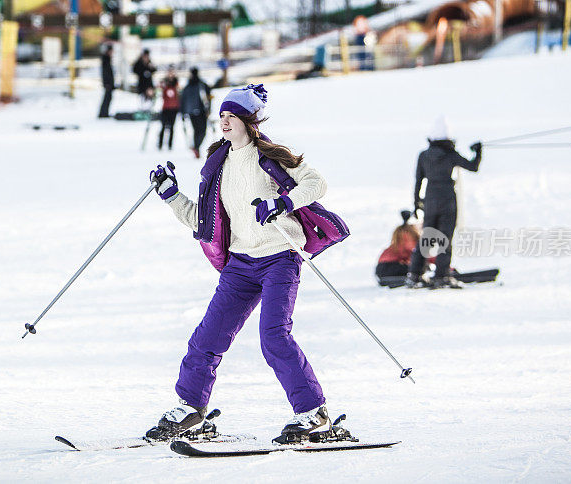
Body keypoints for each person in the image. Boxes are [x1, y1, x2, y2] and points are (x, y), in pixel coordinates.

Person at [145, 84, 349, 443]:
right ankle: (191, 409)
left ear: (248, 120)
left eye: (230, 116)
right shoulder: (218, 166)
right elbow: (204, 222)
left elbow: (316, 183)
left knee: (274, 336)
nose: (223, 122)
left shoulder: (270, 156)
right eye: (220, 116)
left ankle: (314, 414)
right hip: (241, 264)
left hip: (279, 259)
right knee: (206, 337)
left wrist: (284, 203)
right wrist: (172, 196)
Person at [406, 116, 482, 289]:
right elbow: (473, 167)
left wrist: (416, 203)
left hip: (430, 200)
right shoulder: (450, 155)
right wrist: (478, 152)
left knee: (427, 237)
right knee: (444, 239)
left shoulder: (424, 156)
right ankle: (442, 275)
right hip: (447, 200)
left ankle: (415, 274)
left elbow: (418, 180)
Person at [375, 210, 423, 283]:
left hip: (381, 270)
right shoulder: (407, 233)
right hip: (390, 267)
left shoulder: (400, 232)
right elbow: (414, 251)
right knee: (418, 268)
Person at [179, 67, 211, 158]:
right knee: (201, 131)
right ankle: (196, 147)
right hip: (200, 112)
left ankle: (196, 147)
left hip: (193, 112)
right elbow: (207, 98)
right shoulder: (201, 85)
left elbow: (182, 100)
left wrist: (183, 112)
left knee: (197, 131)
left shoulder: (189, 86)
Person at [157, 65, 179, 150]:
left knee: (172, 127)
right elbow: (159, 91)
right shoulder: (164, 83)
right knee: (163, 126)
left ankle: (170, 145)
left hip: (174, 108)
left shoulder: (176, 83)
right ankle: (160, 144)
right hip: (165, 107)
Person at [98, 42, 114, 118]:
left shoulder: (107, 59)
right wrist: (107, 83)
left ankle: (105, 113)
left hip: (109, 83)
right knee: (107, 98)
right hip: (108, 83)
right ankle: (103, 113)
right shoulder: (106, 60)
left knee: (108, 98)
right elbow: (106, 73)